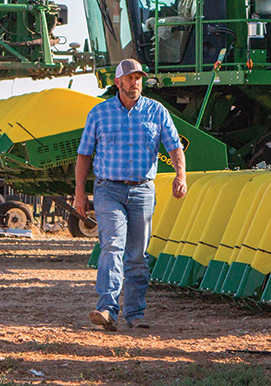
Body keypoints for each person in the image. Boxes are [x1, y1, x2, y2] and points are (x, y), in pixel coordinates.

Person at [75, 58, 187, 331]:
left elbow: (174, 146)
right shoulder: (99, 114)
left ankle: (135, 315)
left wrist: (180, 175)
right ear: (118, 83)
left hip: (142, 191)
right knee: (112, 246)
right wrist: (79, 192)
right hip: (108, 189)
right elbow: (84, 154)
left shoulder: (156, 111)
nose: (135, 82)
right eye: (130, 78)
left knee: (137, 255)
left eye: (139, 77)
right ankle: (106, 309)